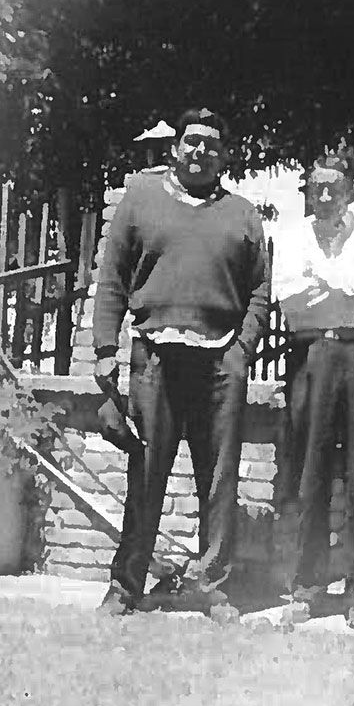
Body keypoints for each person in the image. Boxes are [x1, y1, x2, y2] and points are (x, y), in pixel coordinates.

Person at [93, 107, 269, 614]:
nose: (200, 151)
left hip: (220, 363)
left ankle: (212, 587)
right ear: (175, 148)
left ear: (224, 156)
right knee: (146, 473)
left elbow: (259, 289)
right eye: (192, 141)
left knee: (219, 480)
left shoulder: (243, 214)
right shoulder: (140, 199)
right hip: (155, 357)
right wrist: (104, 350)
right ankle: (125, 586)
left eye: (211, 145)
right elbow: (112, 278)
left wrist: (242, 349)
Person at [272, 151, 354, 630]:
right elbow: (291, 297)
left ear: (350, 191)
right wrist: (348, 285)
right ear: (308, 191)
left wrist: (323, 278)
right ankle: (307, 586)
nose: (324, 195)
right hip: (313, 353)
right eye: (316, 187)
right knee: (311, 470)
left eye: (333, 187)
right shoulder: (292, 236)